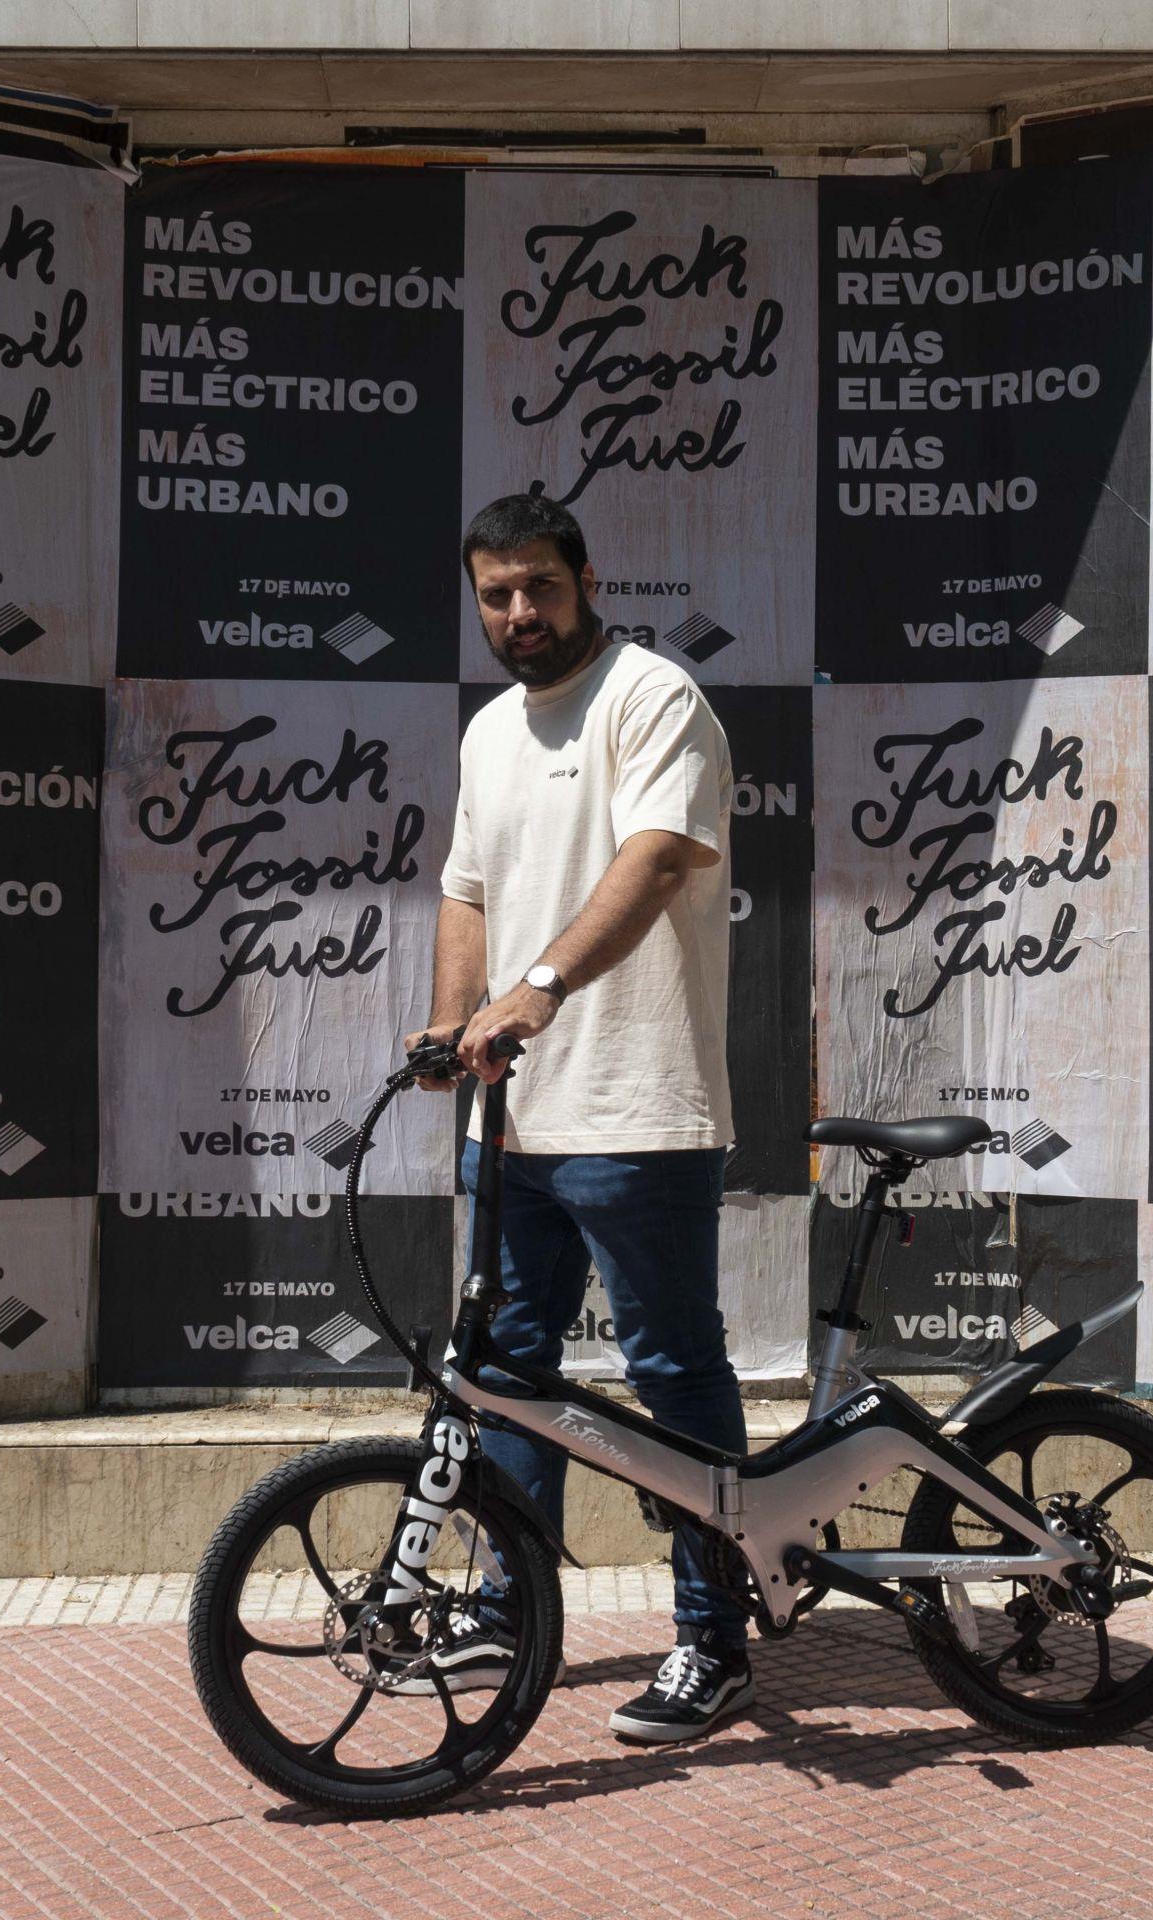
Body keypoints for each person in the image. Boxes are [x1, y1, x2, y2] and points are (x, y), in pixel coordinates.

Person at [401, 491, 752, 1746]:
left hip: (636, 1107)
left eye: (539, 588)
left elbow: (657, 858)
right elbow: (466, 891)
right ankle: (512, 1602)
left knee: (670, 1372)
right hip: (511, 1119)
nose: (517, 614)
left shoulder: (654, 698)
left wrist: (536, 992)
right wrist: (457, 1023)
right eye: (494, 594)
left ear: (586, 578)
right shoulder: (491, 726)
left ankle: (714, 1640)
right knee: (502, 1375)